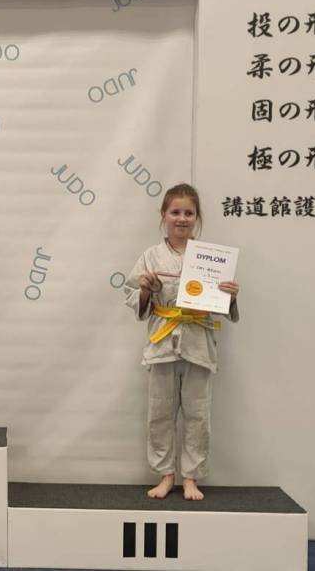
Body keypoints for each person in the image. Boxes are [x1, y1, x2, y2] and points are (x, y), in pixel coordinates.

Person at [124, 183, 240, 501]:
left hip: (198, 342)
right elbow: (134, 297)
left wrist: (229, 295)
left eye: (189, 213)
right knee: (160, 412)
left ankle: (191, 477)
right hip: (162, 342)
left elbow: (223, 308)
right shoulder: (151, 256)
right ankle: (165, 475)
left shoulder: (210, 259)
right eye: (175, 212)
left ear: (197, 217)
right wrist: (145, 289)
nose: (182, 218)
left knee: (197, 413)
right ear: (163, 215)